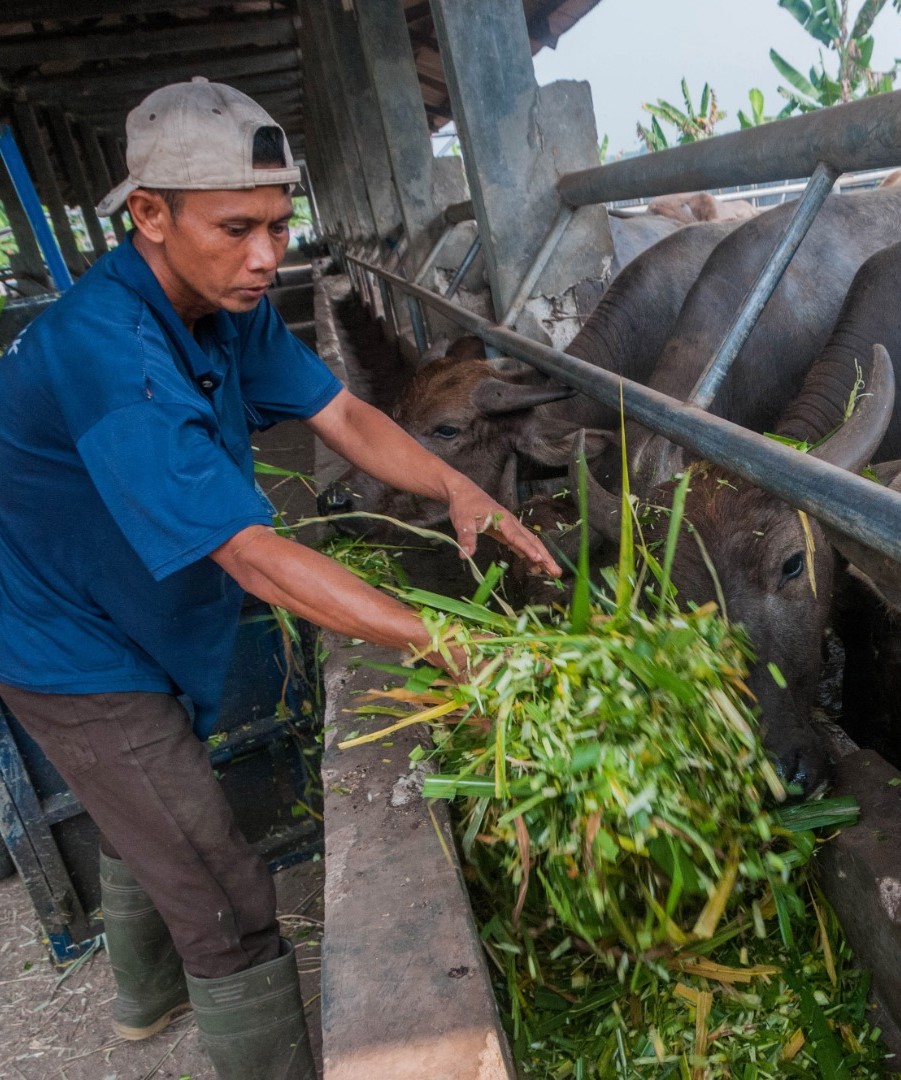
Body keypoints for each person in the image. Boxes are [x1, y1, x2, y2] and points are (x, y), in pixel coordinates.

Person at [0, 79, 558, 1079]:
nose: (267, 255)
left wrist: (457, 487)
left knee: (146, 808)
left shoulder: (225, 305)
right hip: (62, 635)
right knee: (224, 892)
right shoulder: (109, 351)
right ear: (150, 215)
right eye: (237, 228)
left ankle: (144, 997)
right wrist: (439, 639)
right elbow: (254, 556)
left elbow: (341, 415)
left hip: (128, 597)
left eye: (277, 224)